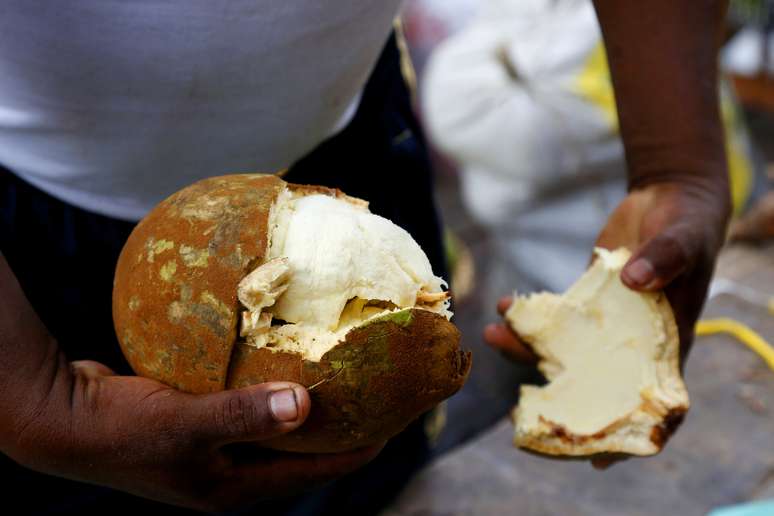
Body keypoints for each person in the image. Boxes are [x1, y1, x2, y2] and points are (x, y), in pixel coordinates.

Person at [0, 1, 732, 514]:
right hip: (27, 243)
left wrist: (676, 162)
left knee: (361, 483)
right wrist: (23, 396)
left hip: (345, 133)